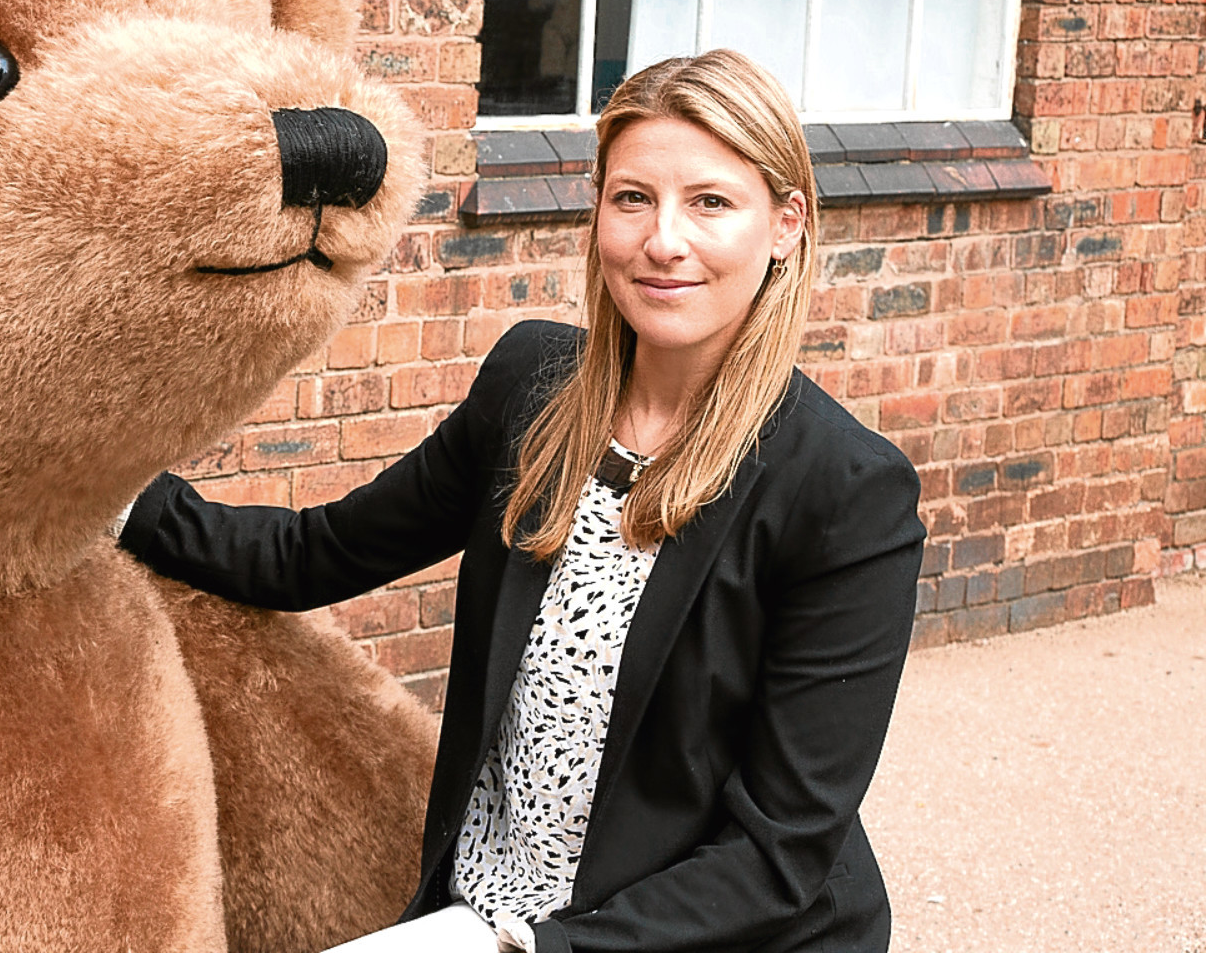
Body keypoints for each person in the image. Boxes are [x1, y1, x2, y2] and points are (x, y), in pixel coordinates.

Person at [118, 49, 926, 953]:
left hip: (688, 938)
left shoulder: (846, 492)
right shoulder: (532, 386)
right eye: (632, 198)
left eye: (710, 202)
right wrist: (105, 497)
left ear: (786, 225)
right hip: (488, 905)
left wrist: (512, 948)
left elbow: (777, 856)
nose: (664, 240)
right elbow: (320, 553)